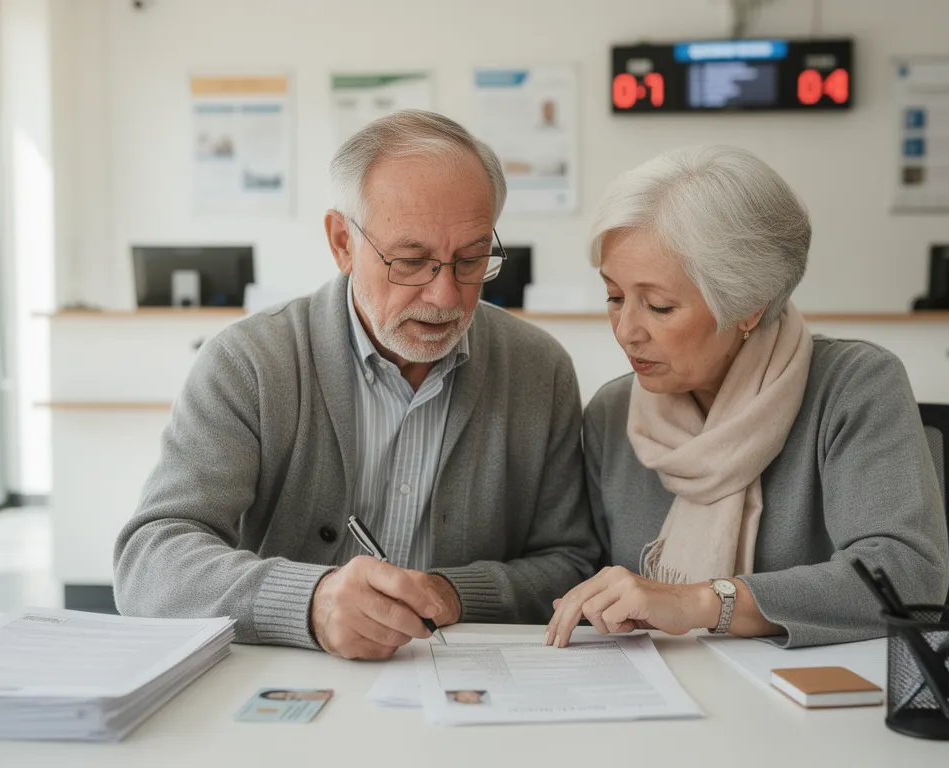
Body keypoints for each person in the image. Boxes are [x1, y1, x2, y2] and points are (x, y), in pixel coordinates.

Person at [114, 110, 599, 660]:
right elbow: (150, 561)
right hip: (286, 676)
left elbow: (572, 563)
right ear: (343, 241)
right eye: (411, 261)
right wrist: (310, 601)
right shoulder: (249, 362)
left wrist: (451, 593)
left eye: (471, 260)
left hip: (465, 676)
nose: (446, 297)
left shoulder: (539, 370)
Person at [545, 145, 949, 649]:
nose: (626, 330)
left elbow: (907, 577)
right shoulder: (611, 412)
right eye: (614, 296)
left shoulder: (854, 385)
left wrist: (700, 602)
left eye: (659, 306)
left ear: (749, 308)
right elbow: (582, 573)